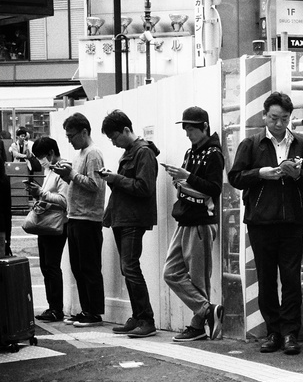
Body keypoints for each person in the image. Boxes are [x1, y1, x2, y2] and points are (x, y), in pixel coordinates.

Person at [228, 92, 303, 355]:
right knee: (266, 277)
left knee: (291, 278)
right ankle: (273, 332)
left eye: (284, 118)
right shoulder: (251, 144)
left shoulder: (300, 144)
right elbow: (235, 177)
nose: (279, 124)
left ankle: (291, 333)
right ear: (264, 116)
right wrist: (261, 174)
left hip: (292, 220)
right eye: (273, 118)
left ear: (290, 118)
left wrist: (298, 174)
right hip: (260, 220)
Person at [162, 107, 226, 342]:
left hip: (200, 221)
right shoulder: (192, 152)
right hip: (186, 219)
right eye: (186, 128)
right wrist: (179, 177)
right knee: (171, 272)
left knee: (198, 278)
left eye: (192, 128)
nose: (188, 133)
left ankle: (198, 324)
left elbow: (215, 188)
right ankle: (207, 311)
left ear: (205, 127)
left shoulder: (214, 154)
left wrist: (185, 176)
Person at [101, 110, 160, 338]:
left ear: (126, 130)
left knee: (131, 268)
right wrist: (114, 180)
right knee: (128, 268)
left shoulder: (143, 152)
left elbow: (145, 188)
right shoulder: (131, 151)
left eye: (115, 137)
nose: (114, 142)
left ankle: (147, 319)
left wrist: (116, 179)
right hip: (123, 217)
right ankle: (138, 316)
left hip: (133, 219)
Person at [53, 113, 106, 327]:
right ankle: (86, 310)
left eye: (72, 135)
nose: (69, 140)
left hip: (88, 218)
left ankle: (94, 312)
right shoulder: (81, 153)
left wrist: (72, 174)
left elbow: (96, 185)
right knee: (78, 267)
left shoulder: (93, 154)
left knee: (89, 267)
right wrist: (67, 174)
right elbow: (78, 181)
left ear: (84, 132)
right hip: (75, 216)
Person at [26, 137, 69, 322]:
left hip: (57, 225)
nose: (40, 160)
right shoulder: (49, 170)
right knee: (45, 266)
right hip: (45, 225)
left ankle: (56, 309)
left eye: (41, 156)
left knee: (52, 266)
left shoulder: (63, 170)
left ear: (51, 153)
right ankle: (52, 306)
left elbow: (64, 200)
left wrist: (42, 194)